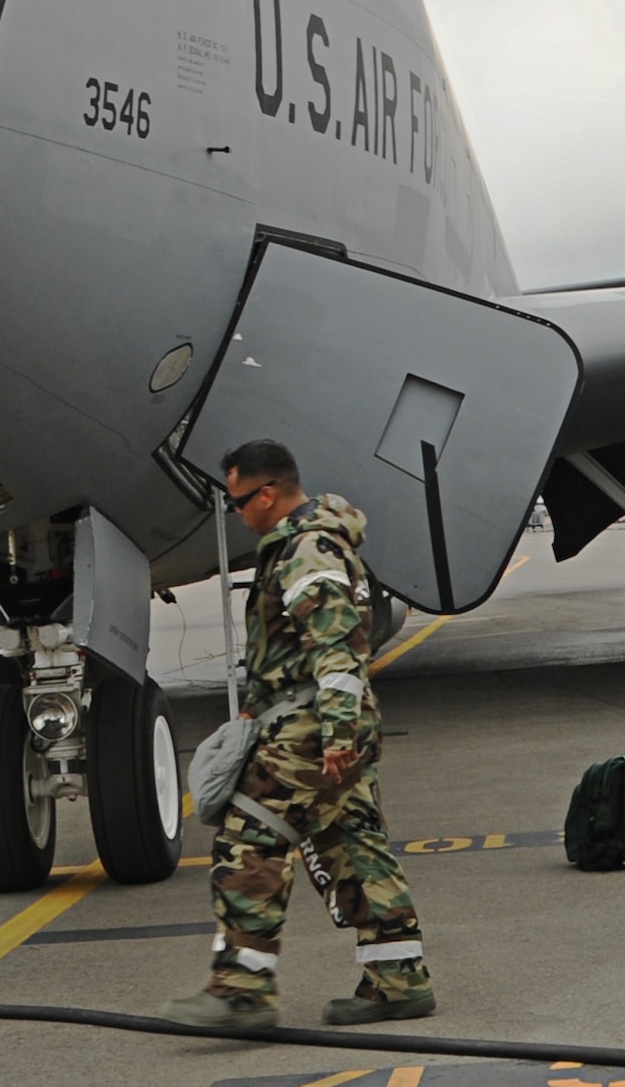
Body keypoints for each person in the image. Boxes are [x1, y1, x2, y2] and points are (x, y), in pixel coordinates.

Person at [163, 440, 434, 1031]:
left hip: (312, 728)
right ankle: (399, 981)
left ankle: (242, 991)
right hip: (322, 719)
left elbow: (337, 649)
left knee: (247, 842)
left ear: (266, 494)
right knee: (352, 846)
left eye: (238, 502)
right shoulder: (309, 542)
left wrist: (335, 735)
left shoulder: (307, 550)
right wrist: (257, 708)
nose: (237, 514)